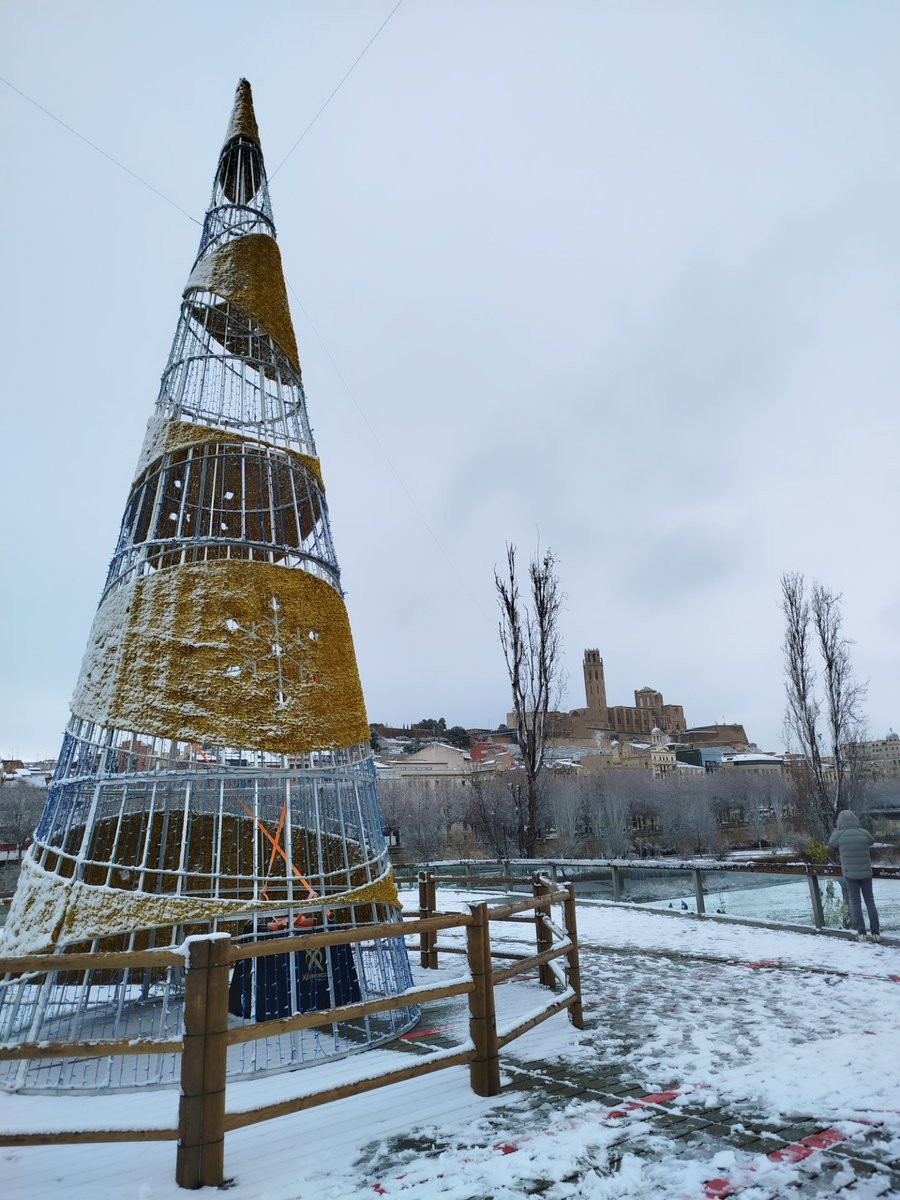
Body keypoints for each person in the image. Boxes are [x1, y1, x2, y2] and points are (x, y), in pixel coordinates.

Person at [827, 810, 881, 943]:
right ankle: (876, 933)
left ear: (840, 822)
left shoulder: (839, 835)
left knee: (855, 903)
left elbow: (831, 843)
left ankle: (861, 933)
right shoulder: (863, 833)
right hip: (866, 874)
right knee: (870, 901)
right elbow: (871, 841)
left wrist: (837, 829)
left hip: (850, 875)